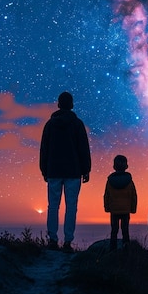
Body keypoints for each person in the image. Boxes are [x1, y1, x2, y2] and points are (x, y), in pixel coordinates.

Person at [40, 91, 91, 252]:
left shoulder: (50, 125)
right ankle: (68, 241)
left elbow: (44, 149)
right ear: (72, 105)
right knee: (71, 207)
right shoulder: (77, 124)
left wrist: (44, 169)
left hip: (54, 170)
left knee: (53, 206)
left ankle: (52, 239)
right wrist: (86, 169)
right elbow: (83, 148)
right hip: (73, 171)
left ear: (58, 104)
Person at [103, 154, 137, 250]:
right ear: (126, 166)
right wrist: (133, 209)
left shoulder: (110, 181)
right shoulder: (129, 181)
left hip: (114, 210)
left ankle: (112, 248)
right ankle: (126, 248)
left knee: (114, 230)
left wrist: (107, 207)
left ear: (114, 166)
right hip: (126, 210)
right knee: (125, 230)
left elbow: (106, 195)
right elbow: (134, 195)